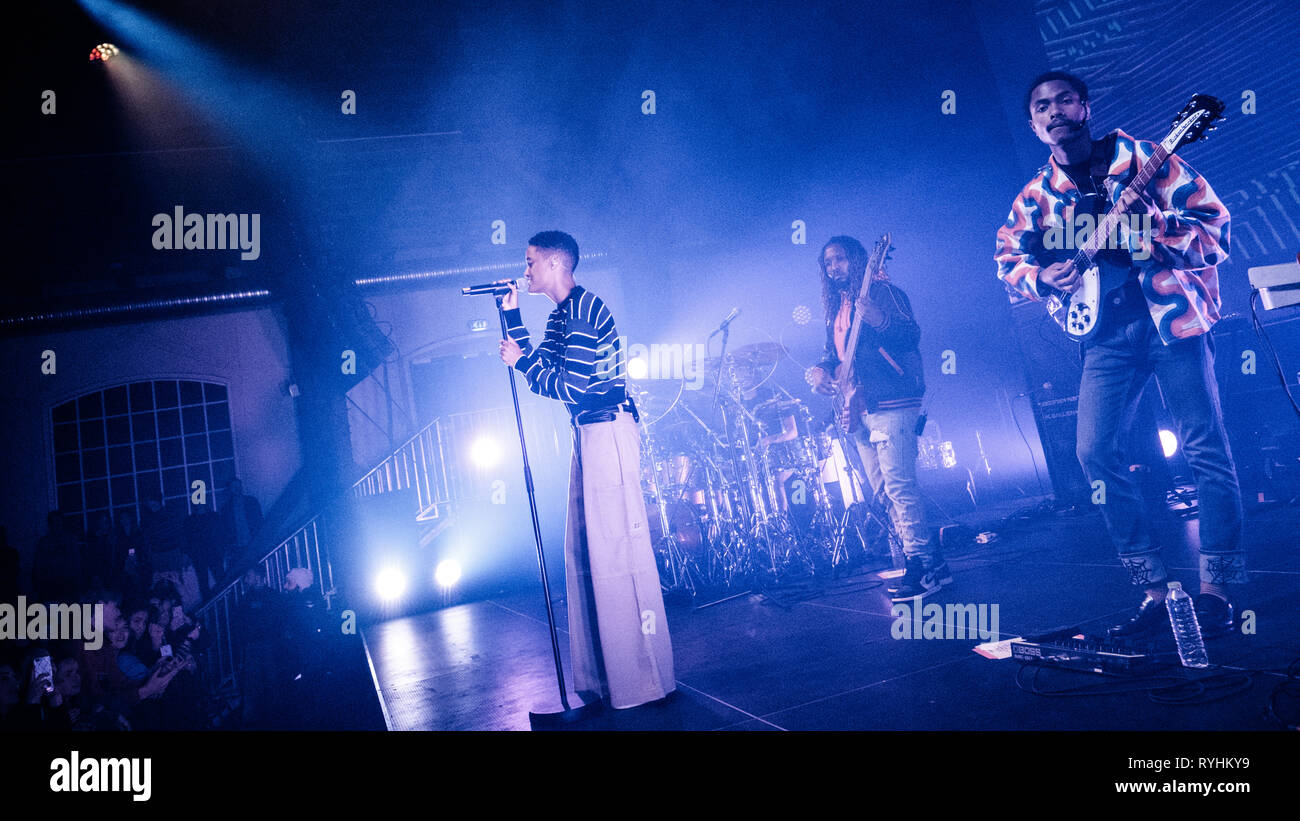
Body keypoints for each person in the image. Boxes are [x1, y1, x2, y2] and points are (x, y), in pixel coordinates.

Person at [995, 71, 1243, 637]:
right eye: (1041, 106)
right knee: (1093, 454)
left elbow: (1217, 231)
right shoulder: (1036, 197)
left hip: (1173, 323)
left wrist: (1146, 230)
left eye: (1064, 100)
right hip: (1105, 336)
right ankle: (1154, 590)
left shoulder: (1146, 158)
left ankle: (1216, 592)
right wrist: (1044, 276)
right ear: (1035, 126)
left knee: (1205, 447)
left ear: (1085, 107)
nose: (1054, 110)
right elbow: (1006, 260)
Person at [498, 230, 675, 709]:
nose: (527, 269)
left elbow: (571, 386)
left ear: (557, 264)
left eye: (531, 261)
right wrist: (512, 315)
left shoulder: (584, 310)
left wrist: (522, 366)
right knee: (588, 556)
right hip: (589, 434)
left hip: (608, 430)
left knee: (618, 556)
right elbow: (542, 368)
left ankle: (643, 682)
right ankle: (606, 681)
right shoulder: (563, 315)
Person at [808, 236, 947, 601]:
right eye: (828, 262)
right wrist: (822, 370)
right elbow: (831, 352)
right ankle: (933, 561)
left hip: (893, 398)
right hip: (858, 405)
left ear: (857, 260)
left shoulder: (885, 292)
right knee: (883, 491)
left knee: (900, 485)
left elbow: (910, 335)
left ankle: (920, 566)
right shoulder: (835, 307)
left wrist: (880, 319)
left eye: (839, 259)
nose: (833, 266)